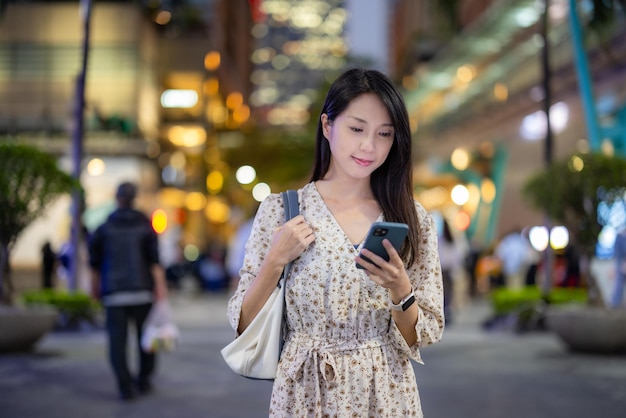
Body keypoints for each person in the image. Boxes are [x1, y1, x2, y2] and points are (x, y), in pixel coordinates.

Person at [226, 68, 444, 417]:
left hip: (384, 393)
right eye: (356, 129)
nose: (368, 146)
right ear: (327, 126)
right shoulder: (281, 210)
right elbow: (242, 322)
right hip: (304, 394)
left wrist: (401, 289)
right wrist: (275, 261)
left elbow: (423, 334)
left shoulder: (409, 217)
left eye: (384, 134)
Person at [88, 181, 168, 401]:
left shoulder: (104, 228)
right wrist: (161, 289)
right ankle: (143, 380)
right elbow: (155, 261)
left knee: (117, 342)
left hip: (114, 293)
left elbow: (94, 263)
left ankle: (125, 386)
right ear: (135, 198)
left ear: (117, 198)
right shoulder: (145, 225)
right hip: (143, 291)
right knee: (148, 339)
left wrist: (94, 289)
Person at [438, 219, 462, 325]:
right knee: (448, 294)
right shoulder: (451, 240)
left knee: (442, 294)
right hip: (448, 270)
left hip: (442, 270)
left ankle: (444, 314)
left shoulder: (441, 240)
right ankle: (446, 313)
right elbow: (456, 256)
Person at [611, 227, 626, 308]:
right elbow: (617, 253)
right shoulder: (620, 237)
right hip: (620, 263)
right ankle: (615, 304)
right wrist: (622, 263)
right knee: (619, 284)